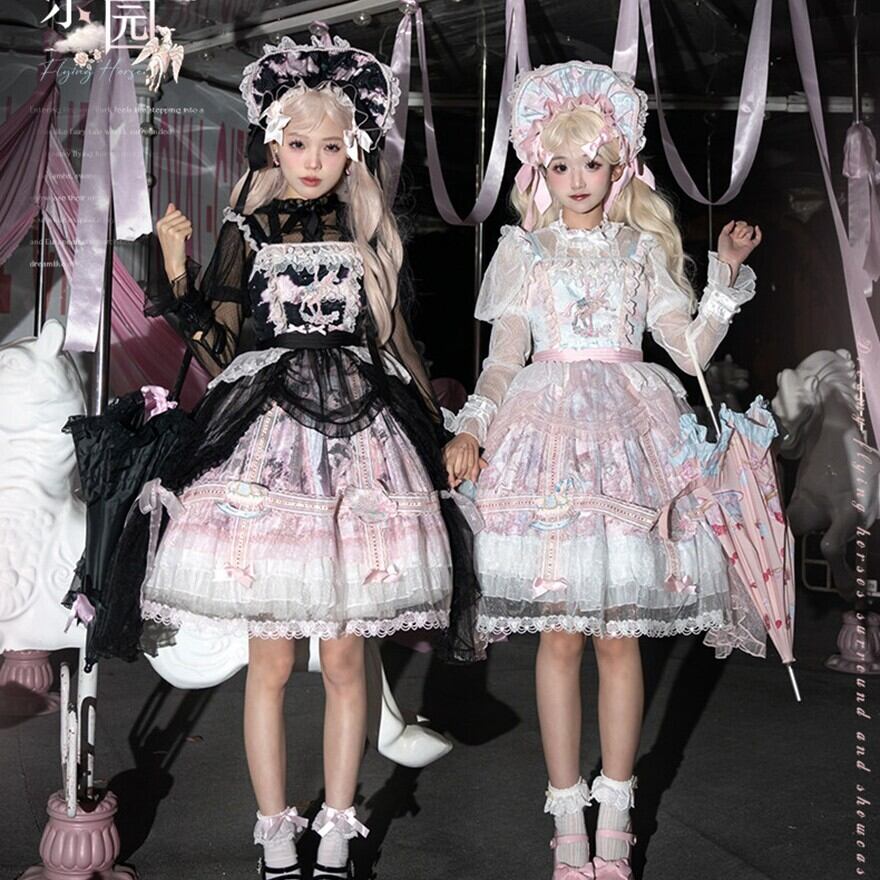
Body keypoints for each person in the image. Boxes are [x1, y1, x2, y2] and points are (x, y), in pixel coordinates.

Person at [142, 34, 479, 880]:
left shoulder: (366, 231)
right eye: (299, 144)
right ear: (275, 145)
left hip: (362, 437)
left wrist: (438, 428)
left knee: (344, 653)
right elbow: (220, 344)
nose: (315, 162)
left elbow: (394, 342)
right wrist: (177, 269)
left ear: (351, 149)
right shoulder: (248, 228)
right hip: (269, 438)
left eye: (331, 147)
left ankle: (336, 827)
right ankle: (273, 831)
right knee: (271, 657)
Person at [443, 61, 764, 880]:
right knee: (559, 638)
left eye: (592, 162)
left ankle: (616, 815)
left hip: (630, 439)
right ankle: (566, 821)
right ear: (539, 170)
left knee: (621, 638)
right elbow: (504, 359)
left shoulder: (641, 250)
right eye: (560, 164)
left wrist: (724, 282)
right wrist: (473, 425)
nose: (577, 179)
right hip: (547, 439)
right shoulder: (524, 251)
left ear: (620, 165)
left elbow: (687, 351)